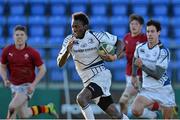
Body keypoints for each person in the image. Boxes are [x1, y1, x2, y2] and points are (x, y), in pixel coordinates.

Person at [57, 12, 128, 119]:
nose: (74, 29)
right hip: (88, 82)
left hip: (101, 76)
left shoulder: (96, 36)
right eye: (72, 26)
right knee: (116, 115)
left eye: (77, 26)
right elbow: (60, 64)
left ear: (85, 27)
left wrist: (115, 56)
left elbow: (120, 43)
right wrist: (67, 50)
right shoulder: (68, 40)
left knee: (81, 98)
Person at [0, 25, 58, 119]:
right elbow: (2, 66)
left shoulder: (32, 52)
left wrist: (33, 85)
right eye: (17, 34)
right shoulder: (7, 50)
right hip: (14, 85)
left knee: (12, 107)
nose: (19, 37)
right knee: (24, 114)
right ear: (13, 36)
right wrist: (5, 79)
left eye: (22, 34)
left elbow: (43, 69)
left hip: (27, 86)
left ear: (26, 37)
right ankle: (47, 108)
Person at [131, 19, 176, 119]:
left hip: (163, 89)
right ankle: (155, 114)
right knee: (135, 110)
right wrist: (134, 75)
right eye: (148, 31)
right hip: (147, 89)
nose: (149, 34)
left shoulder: (163, 51)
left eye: (152, 31)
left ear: (158, 32)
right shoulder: (140, 47)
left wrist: (142, 66)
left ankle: (167, 108)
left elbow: (158, 74)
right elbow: (135, 60)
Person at [119, 14, 160, 119]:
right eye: (132, 23)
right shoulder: (126, 37)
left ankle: (161, 109)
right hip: (129, 75)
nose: (133, 26)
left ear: (141, 26)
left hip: (139, 76)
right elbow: (123, 53)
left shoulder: (144, 39)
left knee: (123, 101)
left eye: (136, 24)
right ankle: (155, 114)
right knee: (139, 106)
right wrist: (116, 55)